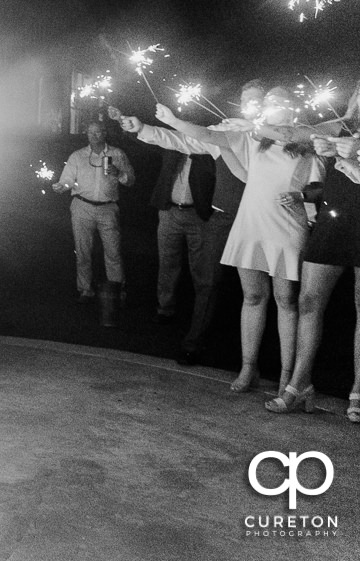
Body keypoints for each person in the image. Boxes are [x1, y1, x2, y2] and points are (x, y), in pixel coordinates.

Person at [155, 90, 323, 394]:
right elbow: (207, 135)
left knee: (286, 301)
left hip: (286, 226)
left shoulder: (308, 146)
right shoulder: (252, 140)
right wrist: (174, 120)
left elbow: (319, 190)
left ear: (291, 110)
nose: (268, 105)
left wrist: (302, 198)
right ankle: (248, 369)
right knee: (253, 297)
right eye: (266, 101)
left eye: (275, 101)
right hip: (252, 223)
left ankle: (287, 375)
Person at [118, 80, 261, 365]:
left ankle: (269, 362)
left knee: (265, 291)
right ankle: (195, 342)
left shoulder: (280, 136)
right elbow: (184, 140)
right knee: (208, 280)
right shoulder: (227, 130)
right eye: (246, 99)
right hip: (224, 214)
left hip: (264, 216)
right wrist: (144, 129)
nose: (250, 105)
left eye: (257, 100)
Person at [267, 85, 360, 415]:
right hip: (334, 223)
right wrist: (324, 139)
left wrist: (355, 155)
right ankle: (300, 384)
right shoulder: (344, 126)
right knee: (308, 301)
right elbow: (302, 132)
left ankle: (357, 392)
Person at [52, 121, 136, 326]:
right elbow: (68, 179)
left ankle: (117, 290)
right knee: (82, 251)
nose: (94, 136)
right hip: (82, 206)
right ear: (87, 135)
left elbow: (131, 180)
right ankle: (85, 289)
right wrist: (61, 186)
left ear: (104, 133)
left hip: (108, 207)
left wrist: (119, 174)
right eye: (90, 133)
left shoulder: (117, 154)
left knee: (113, 252)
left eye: (98, 132)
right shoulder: (77, 155)